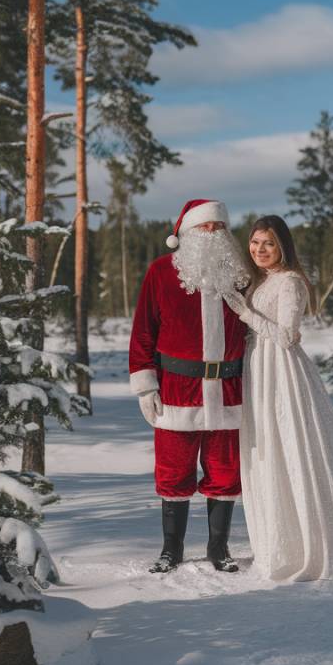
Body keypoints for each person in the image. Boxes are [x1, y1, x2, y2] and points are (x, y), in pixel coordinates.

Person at [223, 214, 333, 581]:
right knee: (268, 450)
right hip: (259, 369)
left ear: (282, 245)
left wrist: (244, 313)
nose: (260, 250)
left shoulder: (290, 283)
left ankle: (315, 545)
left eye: (268, 243)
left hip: (282, 371)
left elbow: (287, 336)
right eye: (255, 243)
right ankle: (279, 541)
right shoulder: (263, 280)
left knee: (291, 446)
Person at [129, 199, 252, 574]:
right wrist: (145, 385)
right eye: (204, 227)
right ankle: (172, 549)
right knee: (173, 471)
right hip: (177, 390)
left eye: (218, 227)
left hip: (228, 390)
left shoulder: (240, 276)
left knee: (226, 472)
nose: (212, 233)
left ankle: (219, 547)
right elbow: (143, 332)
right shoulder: (161, 272)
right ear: (185, 233)